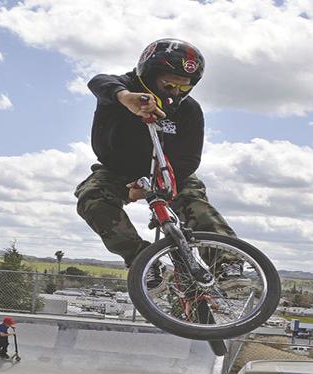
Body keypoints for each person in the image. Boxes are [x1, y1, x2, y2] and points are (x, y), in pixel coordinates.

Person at [74, 38, 237, 287]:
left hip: (170, 172)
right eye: (169, 85)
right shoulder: (121, 89)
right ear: (150, 75)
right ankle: (141, 259)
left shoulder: (189, 110)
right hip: (119, 170)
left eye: (184, 87)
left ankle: (227, 262)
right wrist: (125, 98)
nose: (175, 92)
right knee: (92, 197)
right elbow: (99, 81)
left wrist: (157, 184)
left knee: (194, 201)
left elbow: (190, 158)